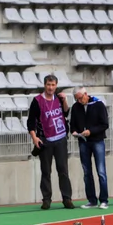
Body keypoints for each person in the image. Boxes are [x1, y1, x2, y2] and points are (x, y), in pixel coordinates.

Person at [27, 74, 74, 210]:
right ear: (44, 85)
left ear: (56, 86)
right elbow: (31, 121)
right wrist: (34, 137)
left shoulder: (59, 99)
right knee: (46, 171)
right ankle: (46, 199)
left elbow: (65, 113)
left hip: (60, 139)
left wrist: (65, 100)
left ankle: (67, 198)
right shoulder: (37, 101)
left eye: (53, 85)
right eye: (48, 84)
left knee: (63, 170)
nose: (51, 87)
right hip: (45, 140)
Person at [70, 86, 109, 209]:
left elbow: (104, 124)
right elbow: (72, 125)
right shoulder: (76, 107)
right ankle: (92, 200)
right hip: (83, 142)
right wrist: (75, 132)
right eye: (77, 99)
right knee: (87, 172)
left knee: (101, 171)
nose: (80, 101)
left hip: (97, 141)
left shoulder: (98, 104)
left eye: (81, 98)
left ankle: (104, 200)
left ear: (86, 94)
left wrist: (91, 131)